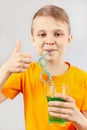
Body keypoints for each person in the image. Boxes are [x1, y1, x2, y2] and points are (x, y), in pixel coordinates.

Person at [0, 4, 87, 130]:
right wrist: (5, 69)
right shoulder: (26, 73)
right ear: (33, 40)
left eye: (57, 34)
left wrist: (78, 119)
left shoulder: (83, 79)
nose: (50, 40)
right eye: (42, 34)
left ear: (69, 39)